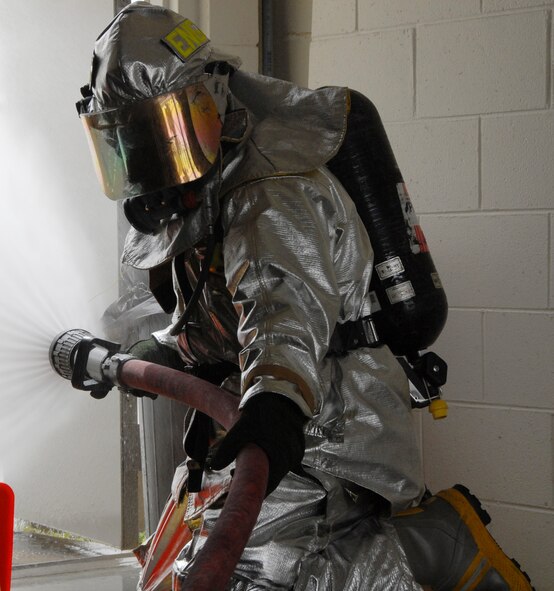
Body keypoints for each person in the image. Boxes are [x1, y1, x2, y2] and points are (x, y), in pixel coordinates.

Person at [75, 3, 533, 590]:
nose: (154, 162)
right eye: (133, 142)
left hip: (332, 436)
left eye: (165, 133)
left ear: (212, 103)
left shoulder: (272, 193)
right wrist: (164, 351)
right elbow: (225, 312)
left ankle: (432, 545)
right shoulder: (211, 189)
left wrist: (277, 406)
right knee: (192, 544)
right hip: (263, 425)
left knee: (268, 571)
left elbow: (280, 314)